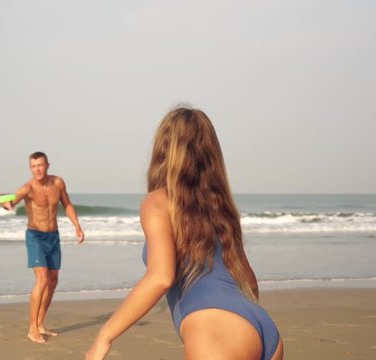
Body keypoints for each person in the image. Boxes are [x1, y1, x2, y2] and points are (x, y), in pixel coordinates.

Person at [86, 107, 283, 359]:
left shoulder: (158, 201)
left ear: (164, 147)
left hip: (215, 332)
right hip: (262, 329)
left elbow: (161, 277)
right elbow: (249, 281)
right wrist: (244, 325)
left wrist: (104, 336)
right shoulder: (220, 205)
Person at [3, 151, 85, 344]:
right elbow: (13, 201)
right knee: (41, 279)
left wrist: (77, 227)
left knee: (53, 280)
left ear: (47, 165)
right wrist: (7, 204)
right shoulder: (27, 188)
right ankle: (32, 329)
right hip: (35, 237)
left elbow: (67, 204)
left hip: (53, 236)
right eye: (33, 166)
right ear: (30, 168)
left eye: (40, 165)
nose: (37, 169)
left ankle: (40, 324)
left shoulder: (58, 183)